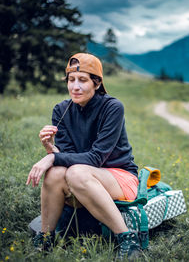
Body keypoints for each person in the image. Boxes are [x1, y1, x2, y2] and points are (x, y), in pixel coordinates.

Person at [26, 53, 142, 259]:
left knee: (75, 172)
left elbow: (97, 158)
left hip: (119, 176)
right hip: (82, 176)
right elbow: (67, 158)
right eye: (71, 80)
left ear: (96, 83)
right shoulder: (61, 110)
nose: (75, 87)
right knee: (54, 173)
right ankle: (45, 238)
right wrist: (50, 149)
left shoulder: (113, 107)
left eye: (83, 80)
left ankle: (128, 239)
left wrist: (52, 158)